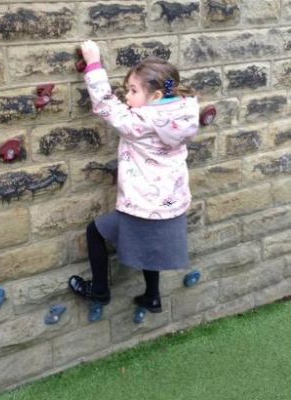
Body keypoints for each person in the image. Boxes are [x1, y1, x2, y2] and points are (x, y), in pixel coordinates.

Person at [68, 40, 199, 313]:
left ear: (156, 96)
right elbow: (163, 88)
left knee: (95, 232)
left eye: (133, 90)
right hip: (170, 206)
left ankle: (100, 291)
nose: (127, 97)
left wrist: (93, 63)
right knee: (151, 248)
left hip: (144, 206)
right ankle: (152, 296)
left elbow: (105, 104)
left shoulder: (139, 123)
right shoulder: (183, 113)